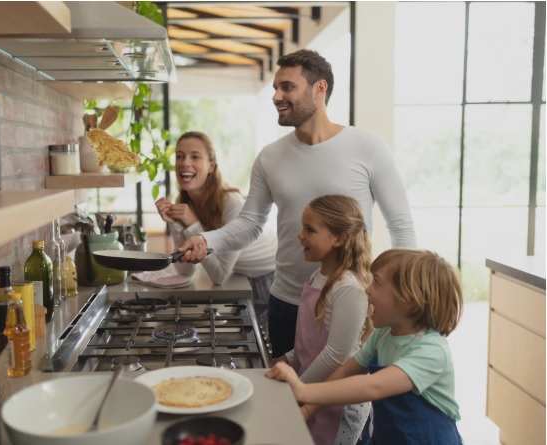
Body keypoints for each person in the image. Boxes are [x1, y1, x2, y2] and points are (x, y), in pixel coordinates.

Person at [174, 48, 416, 358]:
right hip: (287, 301)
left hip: (351, 303)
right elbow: (249, 224)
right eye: (275, 87)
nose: (276, 95)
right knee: (287, 399)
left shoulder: (368, 147)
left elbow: (401, 225)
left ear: (319, 89)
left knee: (347, 402)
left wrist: (400, 291)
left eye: (287, 86)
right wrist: (205, 240)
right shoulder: (270, 157)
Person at [266, 248, 465, 445]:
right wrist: (308, 409)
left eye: (376, 283)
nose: (367, 289)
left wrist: (302, 390)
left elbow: (374, 386)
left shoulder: (431, 351)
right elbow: (346, 372)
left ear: (409, 301)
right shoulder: (383, 334)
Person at [276, 195, 373, 445]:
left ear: (338, 239)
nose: (300, 235)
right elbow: (309, 338)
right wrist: (287, 358)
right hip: (314, 390)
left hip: (338, 402)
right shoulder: (318, 276)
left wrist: (299, 388)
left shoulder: (348, 288)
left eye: (310, 229)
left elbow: (336, 355)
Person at [155, 131, 277, 326]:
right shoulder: (187, 204)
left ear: (211, 166)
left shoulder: (231, 203)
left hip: (268, 279)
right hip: (240, 276)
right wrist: (175, 223)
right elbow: (184, 271)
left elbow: (219, 276)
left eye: (195, 156)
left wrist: (193, 225)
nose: (185, 162)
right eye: (180, 156)